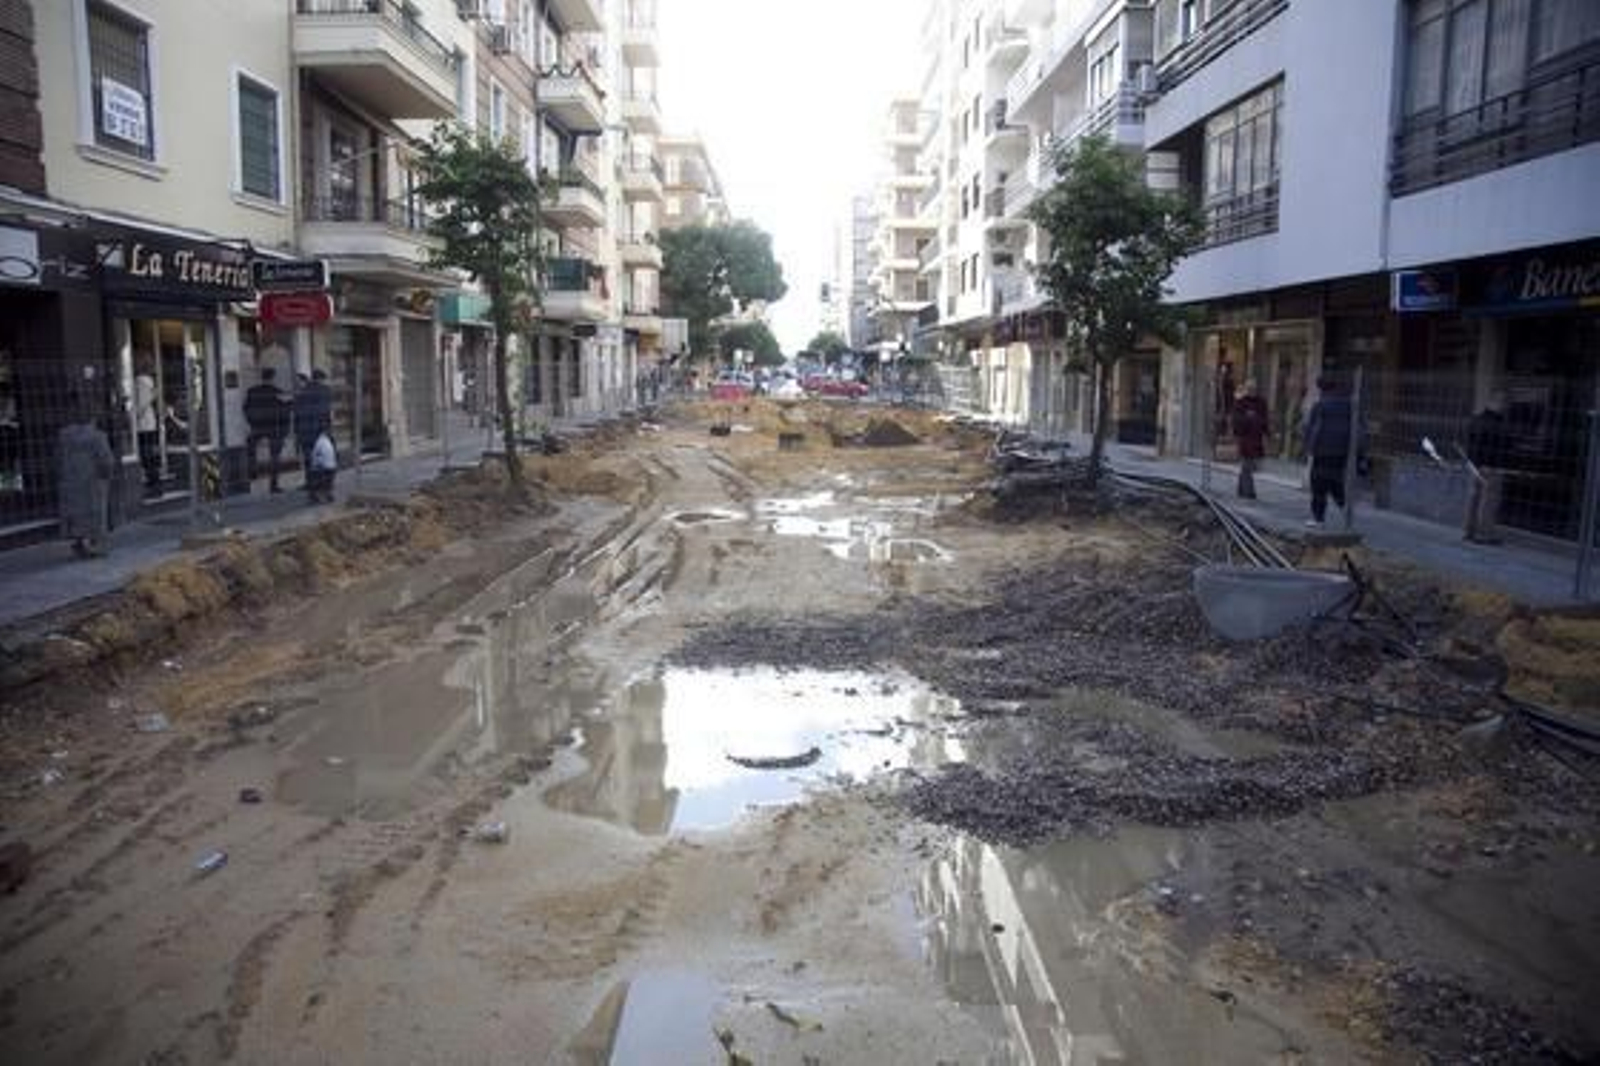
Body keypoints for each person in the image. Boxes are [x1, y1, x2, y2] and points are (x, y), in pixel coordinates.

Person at [57, 396, 115, 558]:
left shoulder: (64, 435)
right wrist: (107, 476)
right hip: (93, 481)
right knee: (96, 513)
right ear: (94, 417)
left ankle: (78, 543)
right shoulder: (98, 437)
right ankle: (96, 546)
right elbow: (107, 461)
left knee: (74, 512)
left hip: (70, 480)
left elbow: (58, 458)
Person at [1301, 375, 1363, 528]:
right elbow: (1358, 427)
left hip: (1322, 450)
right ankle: (1344, 507)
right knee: (1335, 480)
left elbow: (1311, 428)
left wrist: (1308, 446)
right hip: (1341, 451)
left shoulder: (1320, 405)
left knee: (1319, 485)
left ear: (1321, 389)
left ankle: (1319, 519)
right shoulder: (1349, 405)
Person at [1464, 393, 1509, 545]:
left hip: (1475, 466)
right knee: (1488, 501)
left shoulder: (1475, 420)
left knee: (1473, 498)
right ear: (1495, 403)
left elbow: (1469, 443)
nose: (1505, 406)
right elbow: (1502, 447)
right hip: (1492, 467)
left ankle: (1469, 531)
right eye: (1503, 402)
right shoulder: (1498, 423)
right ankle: (1483, 534)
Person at [243, 367, 291, 493]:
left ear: (262, 377)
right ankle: (273, 485)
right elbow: (284, 411)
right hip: (274, 428)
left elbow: (246, 408)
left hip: (257, 427)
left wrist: (251, 422)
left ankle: (252, 473)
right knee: (275, 456)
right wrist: (284, 429)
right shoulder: (278, 392)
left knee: (250, 448)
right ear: (273, 378)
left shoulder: (252, 391)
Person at [292, 369, 333, 488]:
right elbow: (326, 411)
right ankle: (324, 483)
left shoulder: (302, 392)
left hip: (305, 431)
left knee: (308, 458)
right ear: (322, 379)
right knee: (324, 457)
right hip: (322, 430)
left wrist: (297, 431)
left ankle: (310, 482)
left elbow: (297, 412)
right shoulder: (326, 391)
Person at [1231, 378, 1270, 500]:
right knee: (1247, 464)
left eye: (1253, 388)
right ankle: (1249, 492)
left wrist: (1267, 433)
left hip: (1256, 438)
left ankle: (1242, 490)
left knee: (1249, 465)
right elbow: (1236, 421)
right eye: (1249, 388)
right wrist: (1248, 419)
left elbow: (1265, 419)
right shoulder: (1240, 402)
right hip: (1245, 438)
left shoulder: (1261, 402)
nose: (1251, 390)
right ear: (1246, 389)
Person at [132, 354, 160, 495]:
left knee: (147, 454)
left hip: (143, 424)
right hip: (150, 423)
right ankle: (154, 483)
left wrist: (134, 416)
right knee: (151, 454)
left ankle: (153, 483)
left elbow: (142, 404)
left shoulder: (140, 381)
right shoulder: (150, 382)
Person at [307, 426, 337, 504]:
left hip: (326, 466)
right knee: (324, 480)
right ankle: (324, 494)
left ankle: (320, 494)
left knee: (322, 479)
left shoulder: (322, 441)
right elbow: (318, 455)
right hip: (327, 467)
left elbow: (316, 456)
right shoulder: (324, 441)